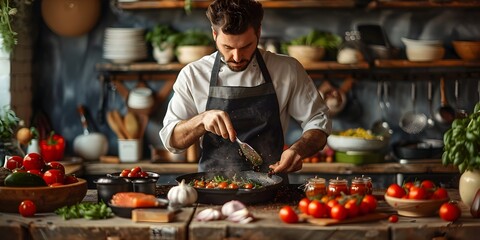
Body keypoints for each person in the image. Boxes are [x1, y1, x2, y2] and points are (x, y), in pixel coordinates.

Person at [159, 0, 331, 175]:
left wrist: (297, 151)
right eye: (227, 47)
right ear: (214, 34)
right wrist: (201, 120)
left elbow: (318, 122)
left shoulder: (286, 69)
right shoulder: (193, 75)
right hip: (214, 189)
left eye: (246, 46)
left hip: (271, 186)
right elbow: (171, 141)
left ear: (258, 32)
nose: (236, 56)